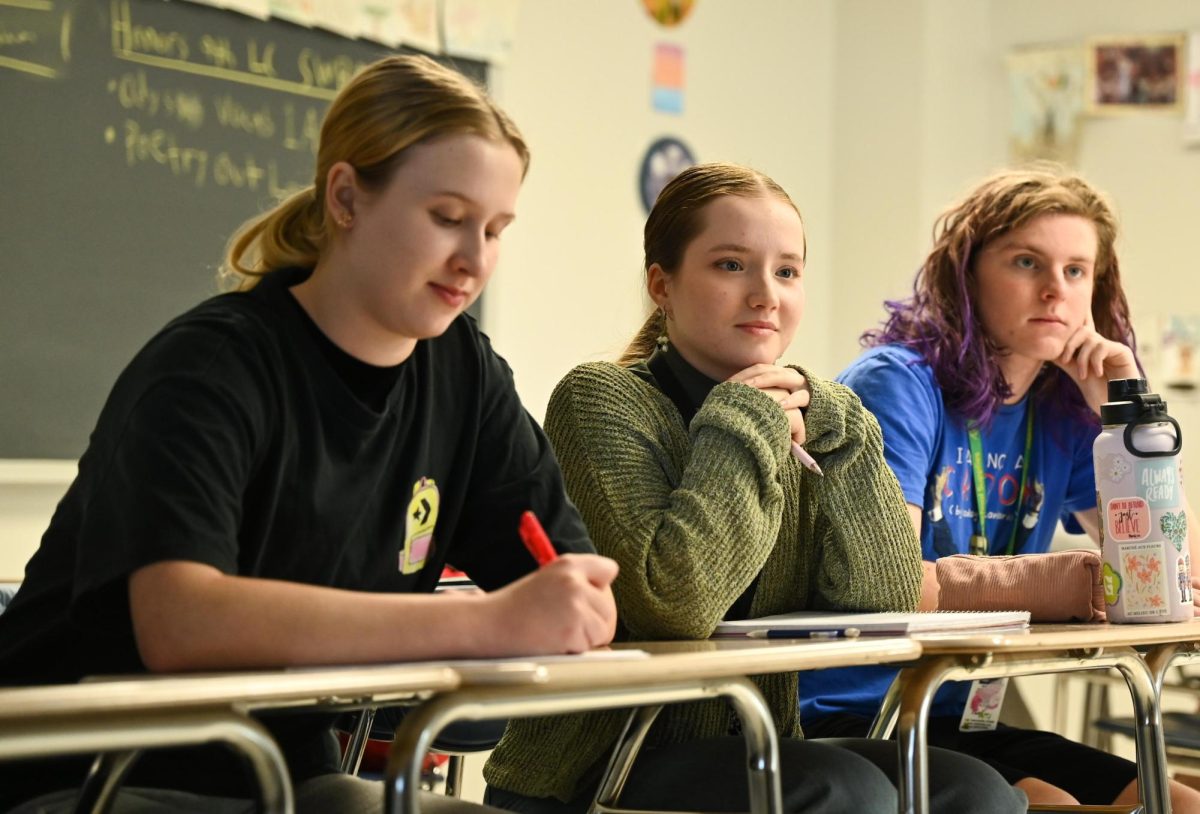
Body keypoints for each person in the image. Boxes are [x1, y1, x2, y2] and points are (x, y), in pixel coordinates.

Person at [0, 55, 618, 814]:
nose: (474, 259)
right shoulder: (211, 366)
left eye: (496, 229)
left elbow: (569, 575)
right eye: (448, 218)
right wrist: (486, 621)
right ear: (347, 197)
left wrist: (577, 603)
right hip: (90, 777)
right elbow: (180, 622)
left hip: (286, 780)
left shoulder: (465, 373)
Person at [482, 163, 1027, 814]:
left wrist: (847, 430)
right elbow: (673, 606)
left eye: (787, 271)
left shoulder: (817, 418)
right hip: (602, 763)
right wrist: (746, 419)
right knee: (846, 792)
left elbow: (882, 594)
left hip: (757, 740)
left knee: (977, 792)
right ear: (663, 284)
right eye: (731, 266)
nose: (766, 294)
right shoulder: (602, 399)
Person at [799, 164, 1200, 811]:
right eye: (1026, 263)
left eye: (1076, 271)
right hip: (850, 710)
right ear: (966, 277)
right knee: (1051, 805)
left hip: (958, 711)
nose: (1055, 291)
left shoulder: (1064, 409)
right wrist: (1058, 583)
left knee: (1178, 803)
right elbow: (896, 583)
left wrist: (1127, 417)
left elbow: (1174, 580)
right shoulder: (896, 384)